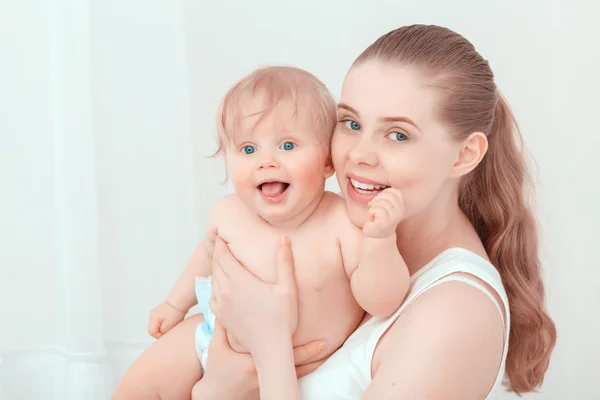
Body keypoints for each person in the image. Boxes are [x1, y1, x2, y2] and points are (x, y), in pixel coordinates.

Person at [192, 24, 557, 399]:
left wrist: (265, 351)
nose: (358, 155)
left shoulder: (456, 316)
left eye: (398, 135)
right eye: (351, 123)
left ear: (465, 155)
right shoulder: (349, 249)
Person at [111, 65, 410, 399]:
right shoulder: (228, 213)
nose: (266, 162)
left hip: (293, 369)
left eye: (287, 146)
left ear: (328, 161)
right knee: (137, 387)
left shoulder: (341, 224)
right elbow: (206, 257)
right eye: (248, 149)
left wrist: (381, 240)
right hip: (211, 336)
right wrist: (174, 304)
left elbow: (382, 301)